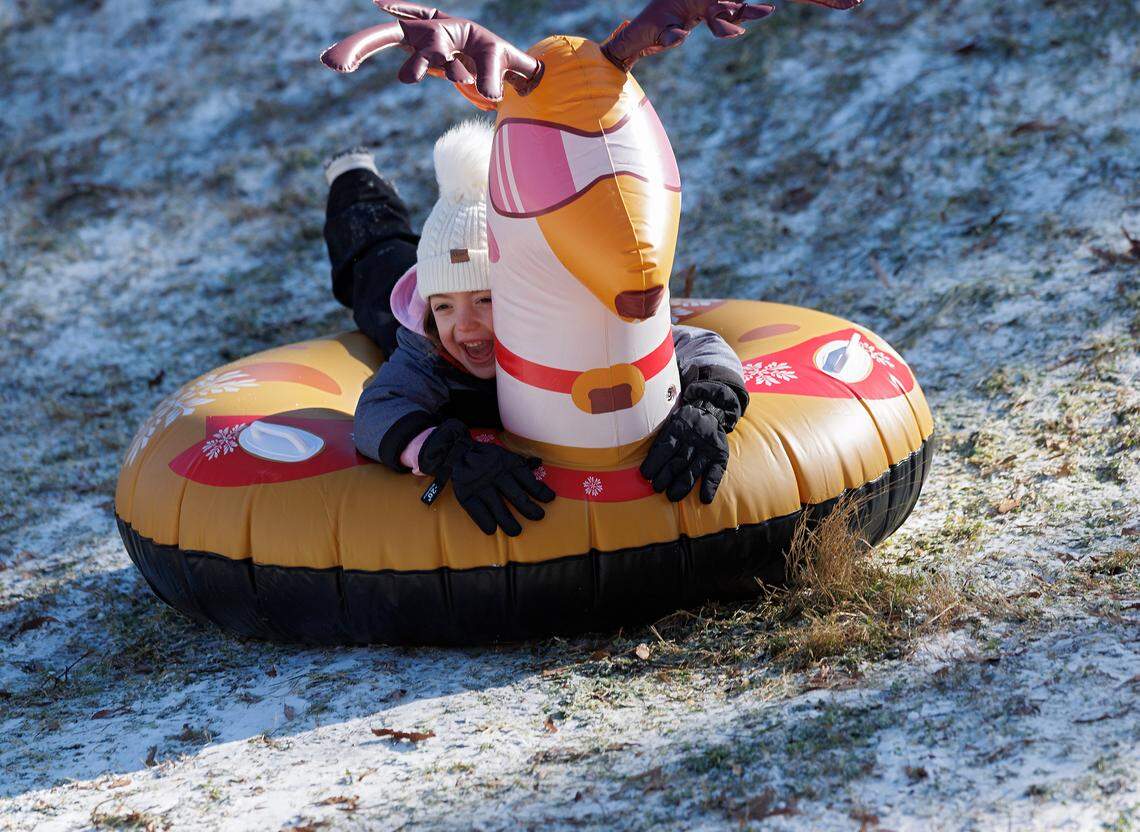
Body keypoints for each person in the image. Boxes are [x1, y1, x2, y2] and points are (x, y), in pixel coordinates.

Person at [322, 121, 749, 537]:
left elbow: (696, 345)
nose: (465, 323)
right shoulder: (430, 348)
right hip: (414, 284)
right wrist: (446, 453)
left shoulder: (565, 324)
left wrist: (708, 408)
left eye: (486, 300)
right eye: (445, 307)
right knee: (376, 263)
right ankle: (354, 178)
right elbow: (376, 412)